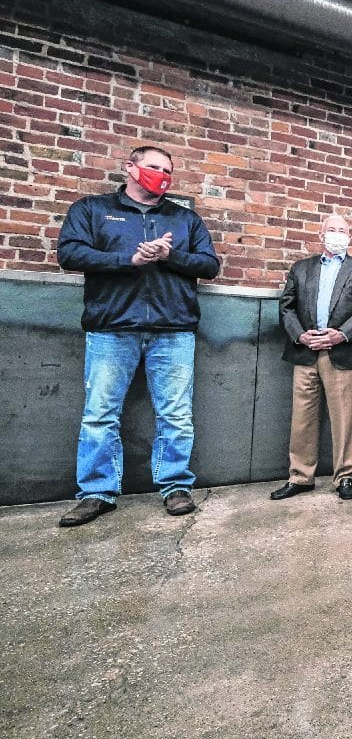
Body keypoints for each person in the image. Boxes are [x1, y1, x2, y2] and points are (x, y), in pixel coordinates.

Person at [56, 146, 220, 526]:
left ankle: (176, 486)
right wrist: (127, 260)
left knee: (176, 415)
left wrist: (170, 255)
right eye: (153, 167)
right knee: (99, 414)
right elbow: (70, 254)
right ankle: (97, 492)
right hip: (112, 328)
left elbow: (210, 264)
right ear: (130, 168)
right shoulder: (92, 210)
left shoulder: (184, 220)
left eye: (167, 171)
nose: (160, 175)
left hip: (173, 330)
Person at [273, 214, 352, 502]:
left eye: (342, 230)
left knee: (345, 418)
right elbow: (287, 307)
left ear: (350, 237)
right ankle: (300, 476)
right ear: (320, 236)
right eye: (331, 230)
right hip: (305, 351)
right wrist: (300, 335)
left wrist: (340, 334)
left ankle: (344, 476)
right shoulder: (301, 268)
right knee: (302, 418)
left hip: (344, 352)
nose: (336, 234)